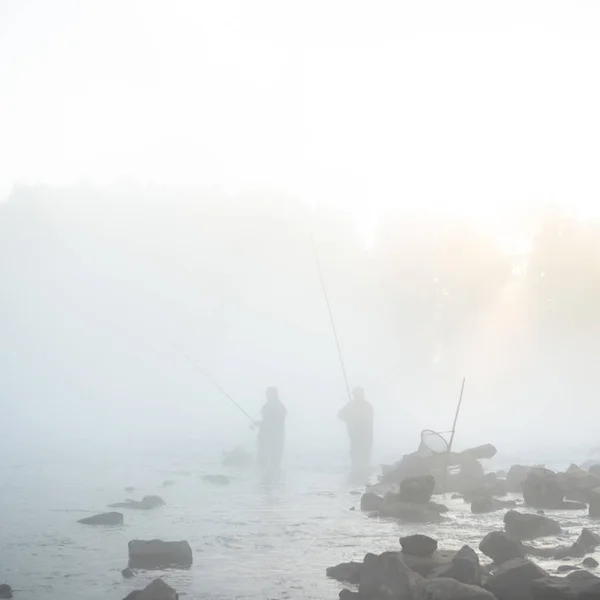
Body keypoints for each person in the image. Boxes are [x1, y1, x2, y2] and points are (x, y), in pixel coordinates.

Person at [338, 386, 374, 472]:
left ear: (362, 394)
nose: (356, 396)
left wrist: (353, 419)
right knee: (355, 454)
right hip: (354, 435)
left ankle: (364, 472)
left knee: (364, 453)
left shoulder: (367, 405)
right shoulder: (350, 405)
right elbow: (340, 414)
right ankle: (356, 472)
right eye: (355, 394)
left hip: (365, 435)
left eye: (358, 393)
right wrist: (347, 419)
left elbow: (368, 419)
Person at [255, 387, 287, 474]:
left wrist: (262, 424)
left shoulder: (279, 406)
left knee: (274, 463)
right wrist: (258, 424)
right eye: (267, 393)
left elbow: (276, 422)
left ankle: (275, 484)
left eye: (270, 393)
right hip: (265, 438)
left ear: (275, 394)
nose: (267, 395)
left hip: (275, 440)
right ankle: (266, 483)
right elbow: (265, 421)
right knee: (261, 462)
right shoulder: (267, 405)